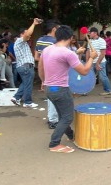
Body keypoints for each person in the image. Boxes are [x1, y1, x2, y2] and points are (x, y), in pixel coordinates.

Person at [38, 25, 98, 153]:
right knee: (67, 117)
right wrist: (92, 57)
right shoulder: (67, 53)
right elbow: (85, 71)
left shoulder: (47, 50)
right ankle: (54, 144)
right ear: (70, 38)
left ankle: (71, 136)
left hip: (49, 88)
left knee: (62, 115)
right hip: (60, 89)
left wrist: (43, 81)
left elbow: (41, 67)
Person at [34, 19, 61, 129]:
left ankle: (53, 118)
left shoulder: (39, 40)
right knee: (56, 95)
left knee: (51, 95)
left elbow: (36, 57)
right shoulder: (55, 41)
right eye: (58, 29)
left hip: (45, 71)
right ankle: (53, 120)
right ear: (54, 29)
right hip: (55, 72)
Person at [10, 18, 41, 108]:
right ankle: (27, 102)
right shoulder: (20, 40)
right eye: (26, 32)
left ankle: (16, 97)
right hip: (26, 66)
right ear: (22, 34)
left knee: (26, 83)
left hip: (23, 66)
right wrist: (34, 24)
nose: (29, 35)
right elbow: (28, 34)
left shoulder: (22, 43)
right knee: (28, 84)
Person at [87, 27, 111, 95]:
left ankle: (108, 90)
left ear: (95, 33)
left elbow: (103, 53)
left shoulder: (101, 41)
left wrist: (98, 63)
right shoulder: (90, 40)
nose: (89, 34)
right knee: (88, 76)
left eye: (90, 32)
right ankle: (85, 90)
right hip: (92, 62)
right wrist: (87, 62)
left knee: (103, 77)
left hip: (100, 62)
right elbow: (88, 51)